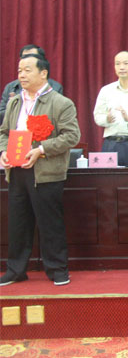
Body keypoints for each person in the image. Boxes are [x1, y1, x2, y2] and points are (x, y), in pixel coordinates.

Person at [0, 54, 80, 286]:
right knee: (18, 223)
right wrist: (3, 151)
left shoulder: (60, 103)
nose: (21, 75)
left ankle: (57, 270)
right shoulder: (15, 102)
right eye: (19, 70)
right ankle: (16, 270)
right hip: (16, 171)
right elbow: (4, 133)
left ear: (43, 73)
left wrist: (41, 149)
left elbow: (72, 136)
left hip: (45, 172)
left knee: (50, 223)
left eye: (27, 70)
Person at [93, 50, 128, 166]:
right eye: (117, 64)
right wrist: (107, 119)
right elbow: (98, 115)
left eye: (126, 63)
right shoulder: (106, 90)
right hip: (111, 143)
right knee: (108, 177)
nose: (121, 67)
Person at [0, 45, 63, 125]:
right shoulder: (11, 88)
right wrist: (14, 108)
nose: (27, 60)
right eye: (24, 57)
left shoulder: (55, 88)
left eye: (32, 57)